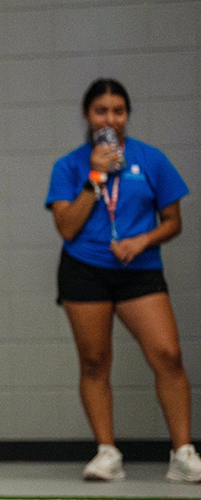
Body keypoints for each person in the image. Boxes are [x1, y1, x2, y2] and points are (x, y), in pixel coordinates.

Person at [45, 78, 199, 482]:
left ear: (127, 115)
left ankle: (183, 454)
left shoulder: (151, 160)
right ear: (87, 115)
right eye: (101, 110)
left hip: (139, 270)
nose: (109, 118)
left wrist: (141, 240)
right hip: (84, 269)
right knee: (95, 361)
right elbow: (66, 227)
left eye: (117, 110)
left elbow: (174, 222)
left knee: (168, 355)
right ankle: (106, 452)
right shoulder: (70, 165)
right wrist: (95, 177)